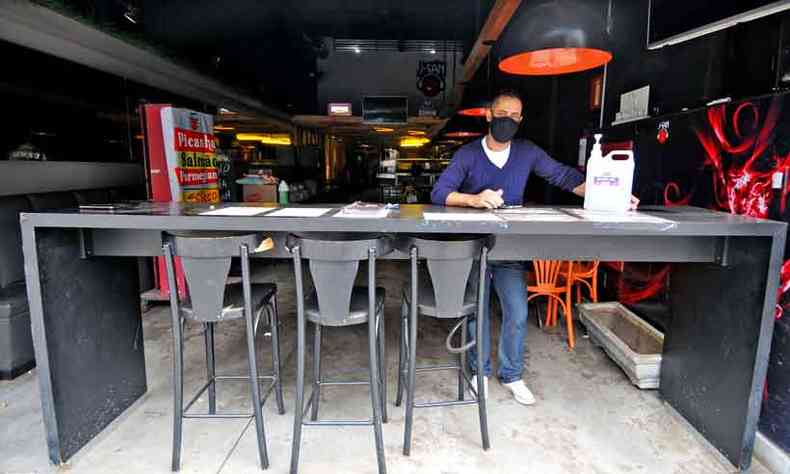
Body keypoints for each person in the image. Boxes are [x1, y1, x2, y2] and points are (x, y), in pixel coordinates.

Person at [430, 89, 638, 405]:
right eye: (502, 114)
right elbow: (440, 192)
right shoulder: (468, 154)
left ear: (521, 120)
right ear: (488, 115)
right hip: (474, 248)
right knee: (478, 310)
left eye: (515, 116)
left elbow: (564, 177)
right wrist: (473, 199)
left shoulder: (527, 152)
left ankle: (512, 375)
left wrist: (614, 194)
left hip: (510, 248)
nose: (508, 120)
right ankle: (479, 372)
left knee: (517, 311)